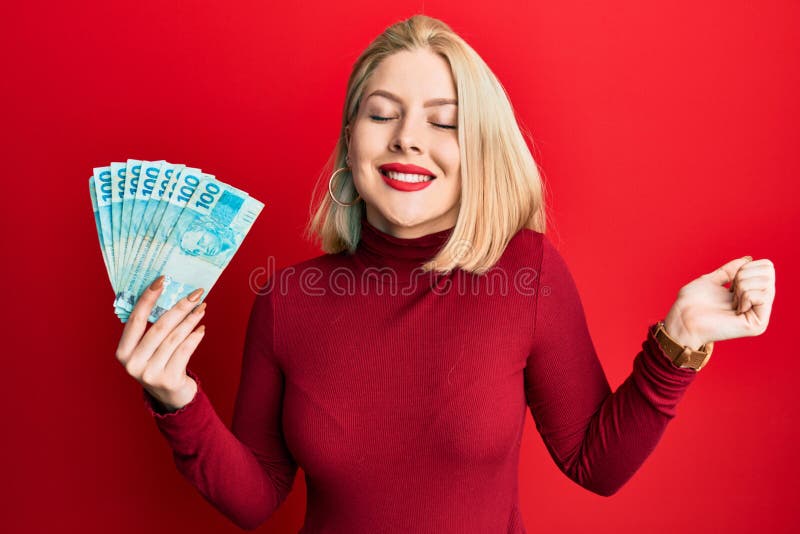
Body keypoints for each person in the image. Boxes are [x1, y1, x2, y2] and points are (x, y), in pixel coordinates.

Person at [114, 14, 776, 533]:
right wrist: (176, 399)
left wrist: (678, 339)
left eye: (444, 122)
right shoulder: (289, 300)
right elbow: (257, 499)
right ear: (351, 142)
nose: (407, 138)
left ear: (478, 150)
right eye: (382, 114)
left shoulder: (529, 274)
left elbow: (594, 465)